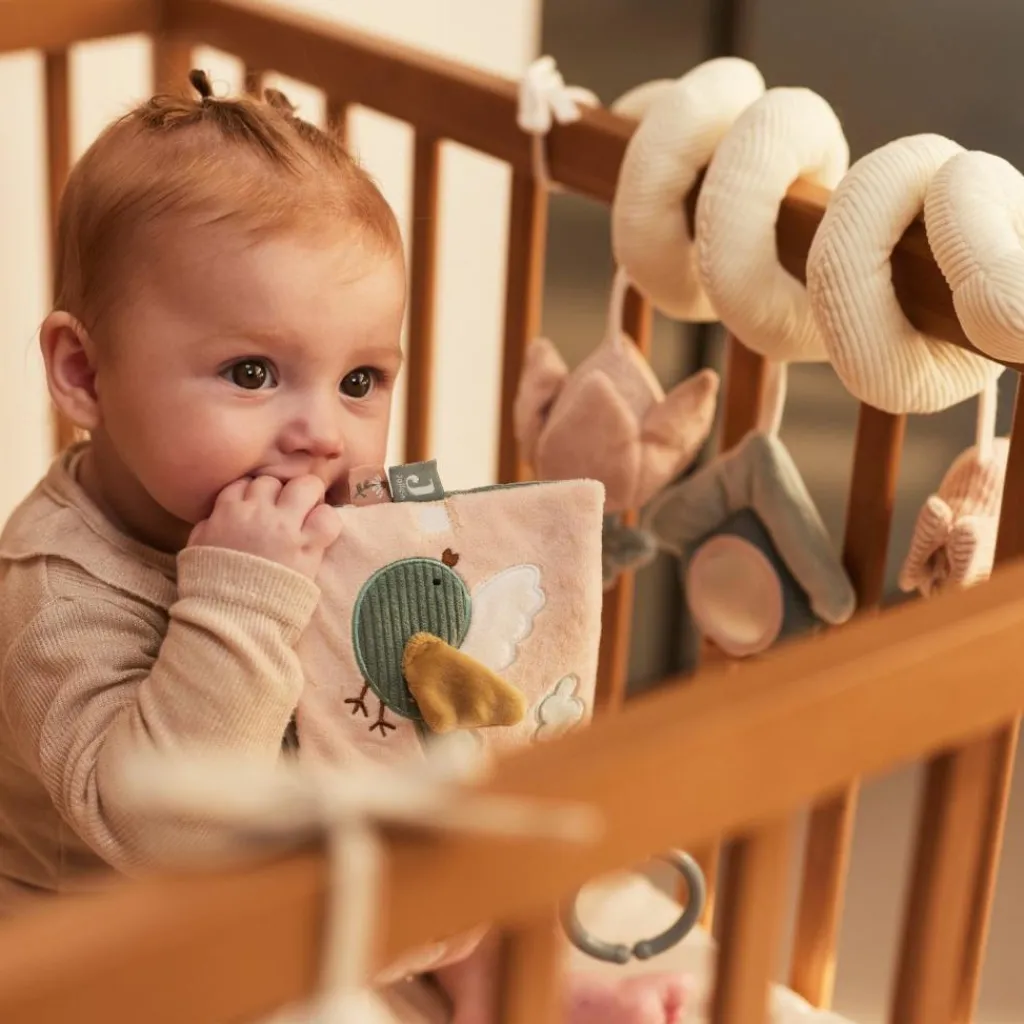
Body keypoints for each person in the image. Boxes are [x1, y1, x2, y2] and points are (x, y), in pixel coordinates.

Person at [0, 70, 685, 1024]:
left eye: (361, 379)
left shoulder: (305, 503)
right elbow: (165, 835)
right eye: (253, 372)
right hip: (111, 954)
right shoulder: (52, 588)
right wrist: (238, 593)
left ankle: (517, 990)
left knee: (462, 790)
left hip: (283, 870)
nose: (322, 432)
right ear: (83, 372)